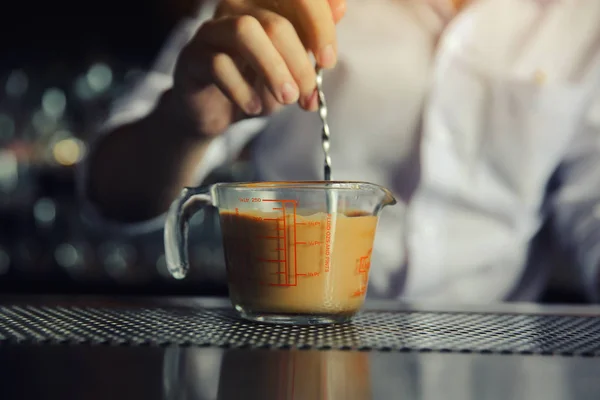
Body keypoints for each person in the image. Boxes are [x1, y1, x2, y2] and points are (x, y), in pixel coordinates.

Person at [79, 0, 600, 303]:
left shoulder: (582, 19)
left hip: (496, 360)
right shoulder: (278, 6)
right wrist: (185, 123)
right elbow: (110, 194)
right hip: (291, 345)